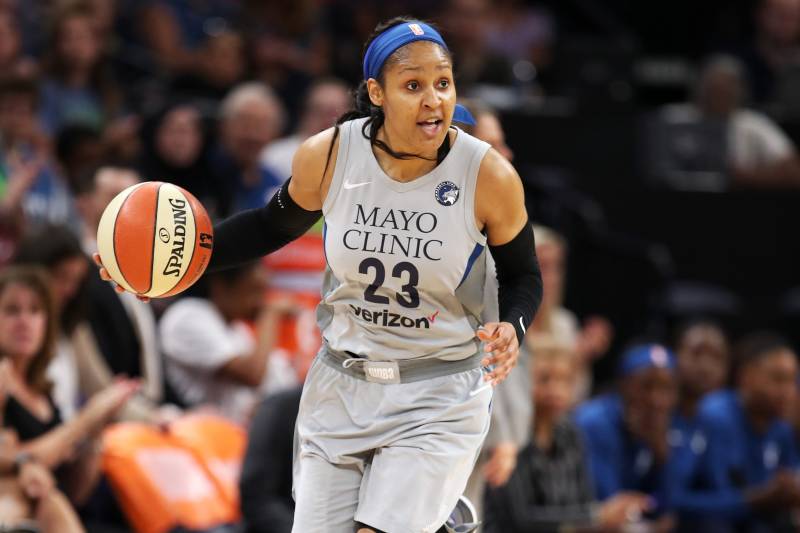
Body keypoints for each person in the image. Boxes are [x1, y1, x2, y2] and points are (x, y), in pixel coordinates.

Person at [98, 16, 542, 533]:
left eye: (443, 83)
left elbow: (523, 275)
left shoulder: (487, 175)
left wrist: (513, 326)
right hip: (343, 383)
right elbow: (267, 228)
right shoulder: (331, 155)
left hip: (438, 388)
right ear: (376, 93)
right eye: (413, 86)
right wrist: (168, 267)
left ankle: (424, 507)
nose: (433, 100)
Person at [0, 266, 137, 507]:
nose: (24, 321)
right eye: (12, 310)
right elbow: (11, 460)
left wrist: (95, 432)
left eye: (35, 311)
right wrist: (86, 418)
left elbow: (75, 492)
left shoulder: (44, 388)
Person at [485, 336, 652, 532]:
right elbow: (519, 519)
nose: (555, 390)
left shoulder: (571, 433)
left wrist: (599, 516)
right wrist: (596, 516)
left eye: (565, 380)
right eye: (545, 379)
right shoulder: (508, 437)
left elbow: (584, 500)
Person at [676, 333, 800, 531]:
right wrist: (755, 500)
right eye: (778, 379)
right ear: (746, 376)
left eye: (792, 381)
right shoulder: (713, 417)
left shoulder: (781, 429)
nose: (788, 391)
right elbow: (678, 500)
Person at [158, 262, 285, 424]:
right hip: (197, 429)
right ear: (220, 285)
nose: (261, 302)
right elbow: (252, 375)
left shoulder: (236, 328)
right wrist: (270, 316)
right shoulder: (188, 315)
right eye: (254, 291)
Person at [574, 344, 680, 527]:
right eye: (646, 386)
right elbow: (608, 505)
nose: (656, 399)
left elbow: (666, 509)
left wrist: (661, 456)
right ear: (623, 385)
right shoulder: (594, 423)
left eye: (666, 388)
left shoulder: (662, 426)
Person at [260, 77, 351, 180]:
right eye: (320, 111)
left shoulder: (359, 157)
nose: (328, 120)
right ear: (304, 113)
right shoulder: (275, 156)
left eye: (336, 112)